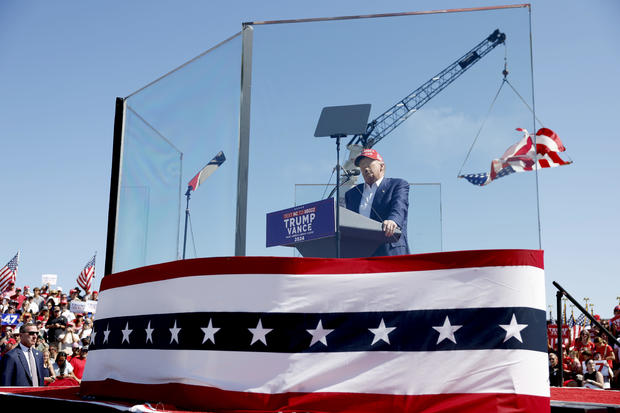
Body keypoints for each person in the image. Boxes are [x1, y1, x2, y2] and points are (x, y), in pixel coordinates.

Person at [344, 149, 410, 256]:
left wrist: (393, 221)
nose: (365, 168)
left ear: (381, 166)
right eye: (362, 166)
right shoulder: (352, 194)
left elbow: (399, 207)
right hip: (361, 253)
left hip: (389, 249)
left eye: (369, 164)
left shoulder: (397, 185)